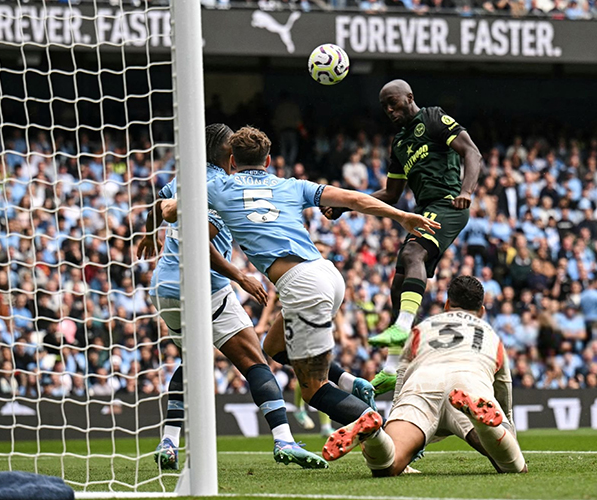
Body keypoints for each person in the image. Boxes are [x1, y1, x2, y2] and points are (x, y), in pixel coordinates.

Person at [164, 126, 440, 462]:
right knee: (272, 347)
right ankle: (352, 383)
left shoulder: (217, 185)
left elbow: (169, 211)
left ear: (232, 160)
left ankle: (387, 432)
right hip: (327, 275)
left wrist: (171, 208)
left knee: (314, 390)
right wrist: (400, 215)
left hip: (302, 287)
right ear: (268, 160)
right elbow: (352, 198)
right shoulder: (289, 185)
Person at [138, 124, 328, 470]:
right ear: (230, 156)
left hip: (164, 289)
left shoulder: (186, 177)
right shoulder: (221, 186)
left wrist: (151, 234)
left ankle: (168, 441)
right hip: (203, 287)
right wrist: (240, 276)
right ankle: (284, 439)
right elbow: (200, 239)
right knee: (255, 360)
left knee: (192, 362)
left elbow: (160, 203)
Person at [322, 79, 482, 394]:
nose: (390, 111)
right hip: (423, 211)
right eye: (385, 107)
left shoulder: (434, 118)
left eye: (393, 103)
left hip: (448, 204)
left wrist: (466, 191)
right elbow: (391, 194)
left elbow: (472, 152)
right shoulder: (400, 143)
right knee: (398, 281)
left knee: (413, 256)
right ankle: (392, 368)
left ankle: (403, 328)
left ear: (409, 97)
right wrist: (346, 205)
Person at [326, 276, 527, 476]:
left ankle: (375, 436)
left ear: (447, 304)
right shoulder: (492, 336)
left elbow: (401, 379)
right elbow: (504, 396)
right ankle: (485, 428)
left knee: (388, 465)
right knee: (511, 465)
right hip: (468, 385)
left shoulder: (420, 329)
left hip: (423, 385)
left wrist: (395, 421)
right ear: (481, 311)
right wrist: (511, 435)